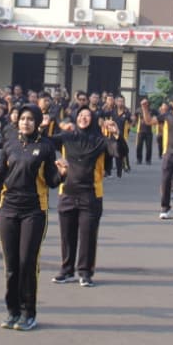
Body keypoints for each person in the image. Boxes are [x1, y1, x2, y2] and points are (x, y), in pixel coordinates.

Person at [0, 104, 64, 330]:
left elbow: (52, 181)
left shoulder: (45, 147)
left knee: (27, 262)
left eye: (30, 119)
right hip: (8, 209)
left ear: (37, 123)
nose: (25, 122)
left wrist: (62, 174)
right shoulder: (10, 145)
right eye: (23, 119)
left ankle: (28, 313)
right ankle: (12, 311)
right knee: (12, 264)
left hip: (34, 211)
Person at [52, 108, 124, 286]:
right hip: (67, 192)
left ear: (93, 120)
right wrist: (44, 126)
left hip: (90, 194)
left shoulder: (100, 140)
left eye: (87, 116)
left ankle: (85, 272)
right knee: (67, 236)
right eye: (81, 115)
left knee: (88, 236)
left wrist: (117, 135)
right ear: (76, 118)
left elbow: (119, 152)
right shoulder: (67, 137)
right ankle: (67, 270)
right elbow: (44, 142)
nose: (83, 118)